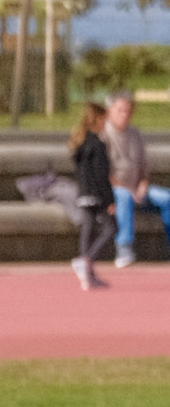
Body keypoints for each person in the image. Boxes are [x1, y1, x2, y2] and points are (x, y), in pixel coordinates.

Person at [105, 92, 168, 270]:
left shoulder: (135, 135)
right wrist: (129, 190)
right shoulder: (104, 135)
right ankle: (124, 249)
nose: (125, 114)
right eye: (120, 110)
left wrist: (142, 186)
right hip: (114, 191)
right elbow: (103, 174)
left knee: (166, 198)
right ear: (110, 110)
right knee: (124, 196)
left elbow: (144, 170)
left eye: (128, 111)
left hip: (138, 190)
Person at [70, 98, 115, 293]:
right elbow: (101, 175)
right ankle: (86, 261)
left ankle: (88, 275)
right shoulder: (97, 145)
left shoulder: (80, 143)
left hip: (83, 193)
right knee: (111, 228)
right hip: (96, 194)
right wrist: (109, 200)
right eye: (104, 120)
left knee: (88, 229)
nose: (106, 124)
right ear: (97, 120)